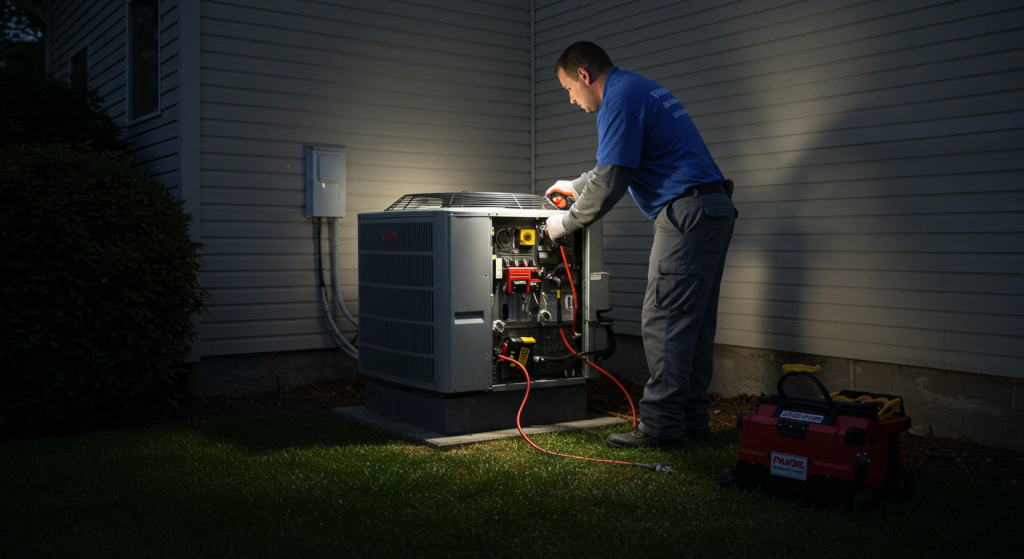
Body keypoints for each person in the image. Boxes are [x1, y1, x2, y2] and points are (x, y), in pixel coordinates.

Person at [544, 42, 736, 448]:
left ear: (583, 75)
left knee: (665, 321)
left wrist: (565, 224)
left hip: (685, 214)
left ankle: (660, 428)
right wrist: (574, 185)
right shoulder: (637, 88)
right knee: (693, 325)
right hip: (711, 208)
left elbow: (614, 178)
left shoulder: (619, 100)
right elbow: (619, 161)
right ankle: (691, 423)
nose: (571, 99)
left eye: (567, 90)